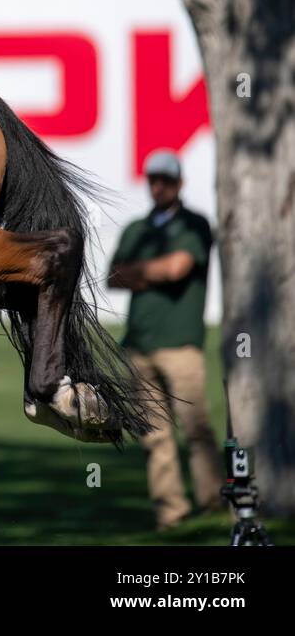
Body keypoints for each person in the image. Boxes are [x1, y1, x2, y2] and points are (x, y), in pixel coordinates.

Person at [107, 149, 225, 530]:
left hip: (181, 345)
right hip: (139, 345)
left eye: (166, 180)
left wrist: (139, 272)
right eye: (154, 179)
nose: (159, 186)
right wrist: (150, 271)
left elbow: (178, 268)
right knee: (154, 437)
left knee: (197, 429)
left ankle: (211, 503)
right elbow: (112, 277)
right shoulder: (137, 229)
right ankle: (171, 514)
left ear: (179, 183)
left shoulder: (195, 224)